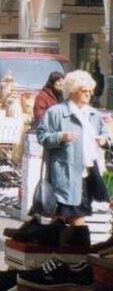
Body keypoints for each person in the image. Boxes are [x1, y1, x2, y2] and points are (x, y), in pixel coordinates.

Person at [36, 70, 110, 227]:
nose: (88, 94)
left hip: (88, 171)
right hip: (65, 173)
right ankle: (77, 240)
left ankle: (54, 239)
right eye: (84, 91)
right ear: (72, 91)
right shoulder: (56, 112)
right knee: (72, 215)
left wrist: (104, 141)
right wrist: (60, 137)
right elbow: (42, 137)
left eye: (90, 91)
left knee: (64, 216)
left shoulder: (94, 114)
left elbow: (106, 136)